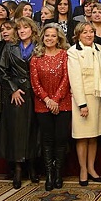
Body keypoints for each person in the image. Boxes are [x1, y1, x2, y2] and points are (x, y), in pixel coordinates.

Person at [0, 17, 41, 189]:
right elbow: (2, 70)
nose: (22, 31)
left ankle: (32, 166)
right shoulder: (10, 47)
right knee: (16, 132)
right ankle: (17, 168)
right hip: (17, 94)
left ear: (32, 29)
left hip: (35, 92)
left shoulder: (39, 46)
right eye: (19, 28)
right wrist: (13, 89)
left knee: (33, 130)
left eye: (25, 27)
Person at [30, 23, 71, 191]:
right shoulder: (35, 58)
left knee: (61, 140)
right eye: (47, 36)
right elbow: (35, 83)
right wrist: (47, 100)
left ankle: (58, 173)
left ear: (58, 37)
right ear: (42, 37)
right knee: (47, 141)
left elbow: (66, 79)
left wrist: (55, 99)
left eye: (53, 36)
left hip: (63, 103)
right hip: (42, 104)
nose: (49, 38)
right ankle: (49, 175)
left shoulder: (65, 55)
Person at [67, 22, 101, 186]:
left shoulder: (99, 49)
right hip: (81, 99)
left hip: (97, 97)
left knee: (94, 135)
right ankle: (83, 169)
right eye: (85, 32)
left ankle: (91, 168)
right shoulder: (73, 51)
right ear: (78, 35)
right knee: (82, 136)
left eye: (91, 32)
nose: (89, 35)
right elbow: (75, 79)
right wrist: (82, 104)